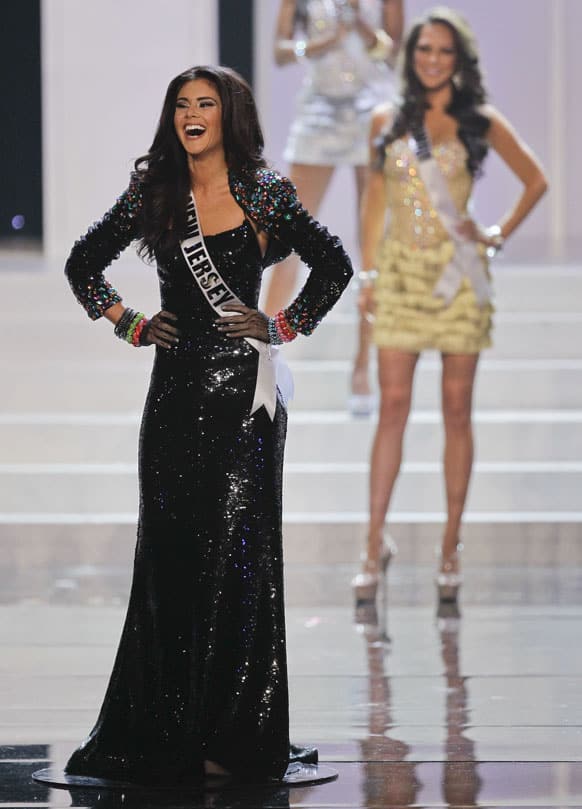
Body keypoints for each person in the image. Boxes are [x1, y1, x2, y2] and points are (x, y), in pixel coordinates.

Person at [62, 65, 352, 785]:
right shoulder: (155, 192)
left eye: (206, 104)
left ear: (229, 116)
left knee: (239, 568)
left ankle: (235, 734)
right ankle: (168, 727)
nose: (193, 114)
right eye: (182, 105)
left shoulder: (263, 191)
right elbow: (81, 264)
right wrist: (128, 320)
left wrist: (282, 322)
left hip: (243, 408)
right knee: (172, 559)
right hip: (173, 400)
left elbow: (336, 265)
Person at [352, 7, 547, 603]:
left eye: (443, 51)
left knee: (457, 411)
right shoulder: (386, 120)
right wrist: (370, 273)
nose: (432, 60)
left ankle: (450, 545)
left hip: (459, 280)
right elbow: (375, 204)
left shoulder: (478, 120)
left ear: (459, 60)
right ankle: (372, 542)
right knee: (392, 409)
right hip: (404, 278)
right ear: (410, 58)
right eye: (423, 50)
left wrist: (496, 234)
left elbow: (535, 180)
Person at [267, 0, 404, 414]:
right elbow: (279, 51)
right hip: (319, 108)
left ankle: (363, 363)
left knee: (372, 243)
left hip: (372, 110)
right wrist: (320, 43)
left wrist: (362, 26)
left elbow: (395, 53)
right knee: (288, 236)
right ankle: (263, 349)